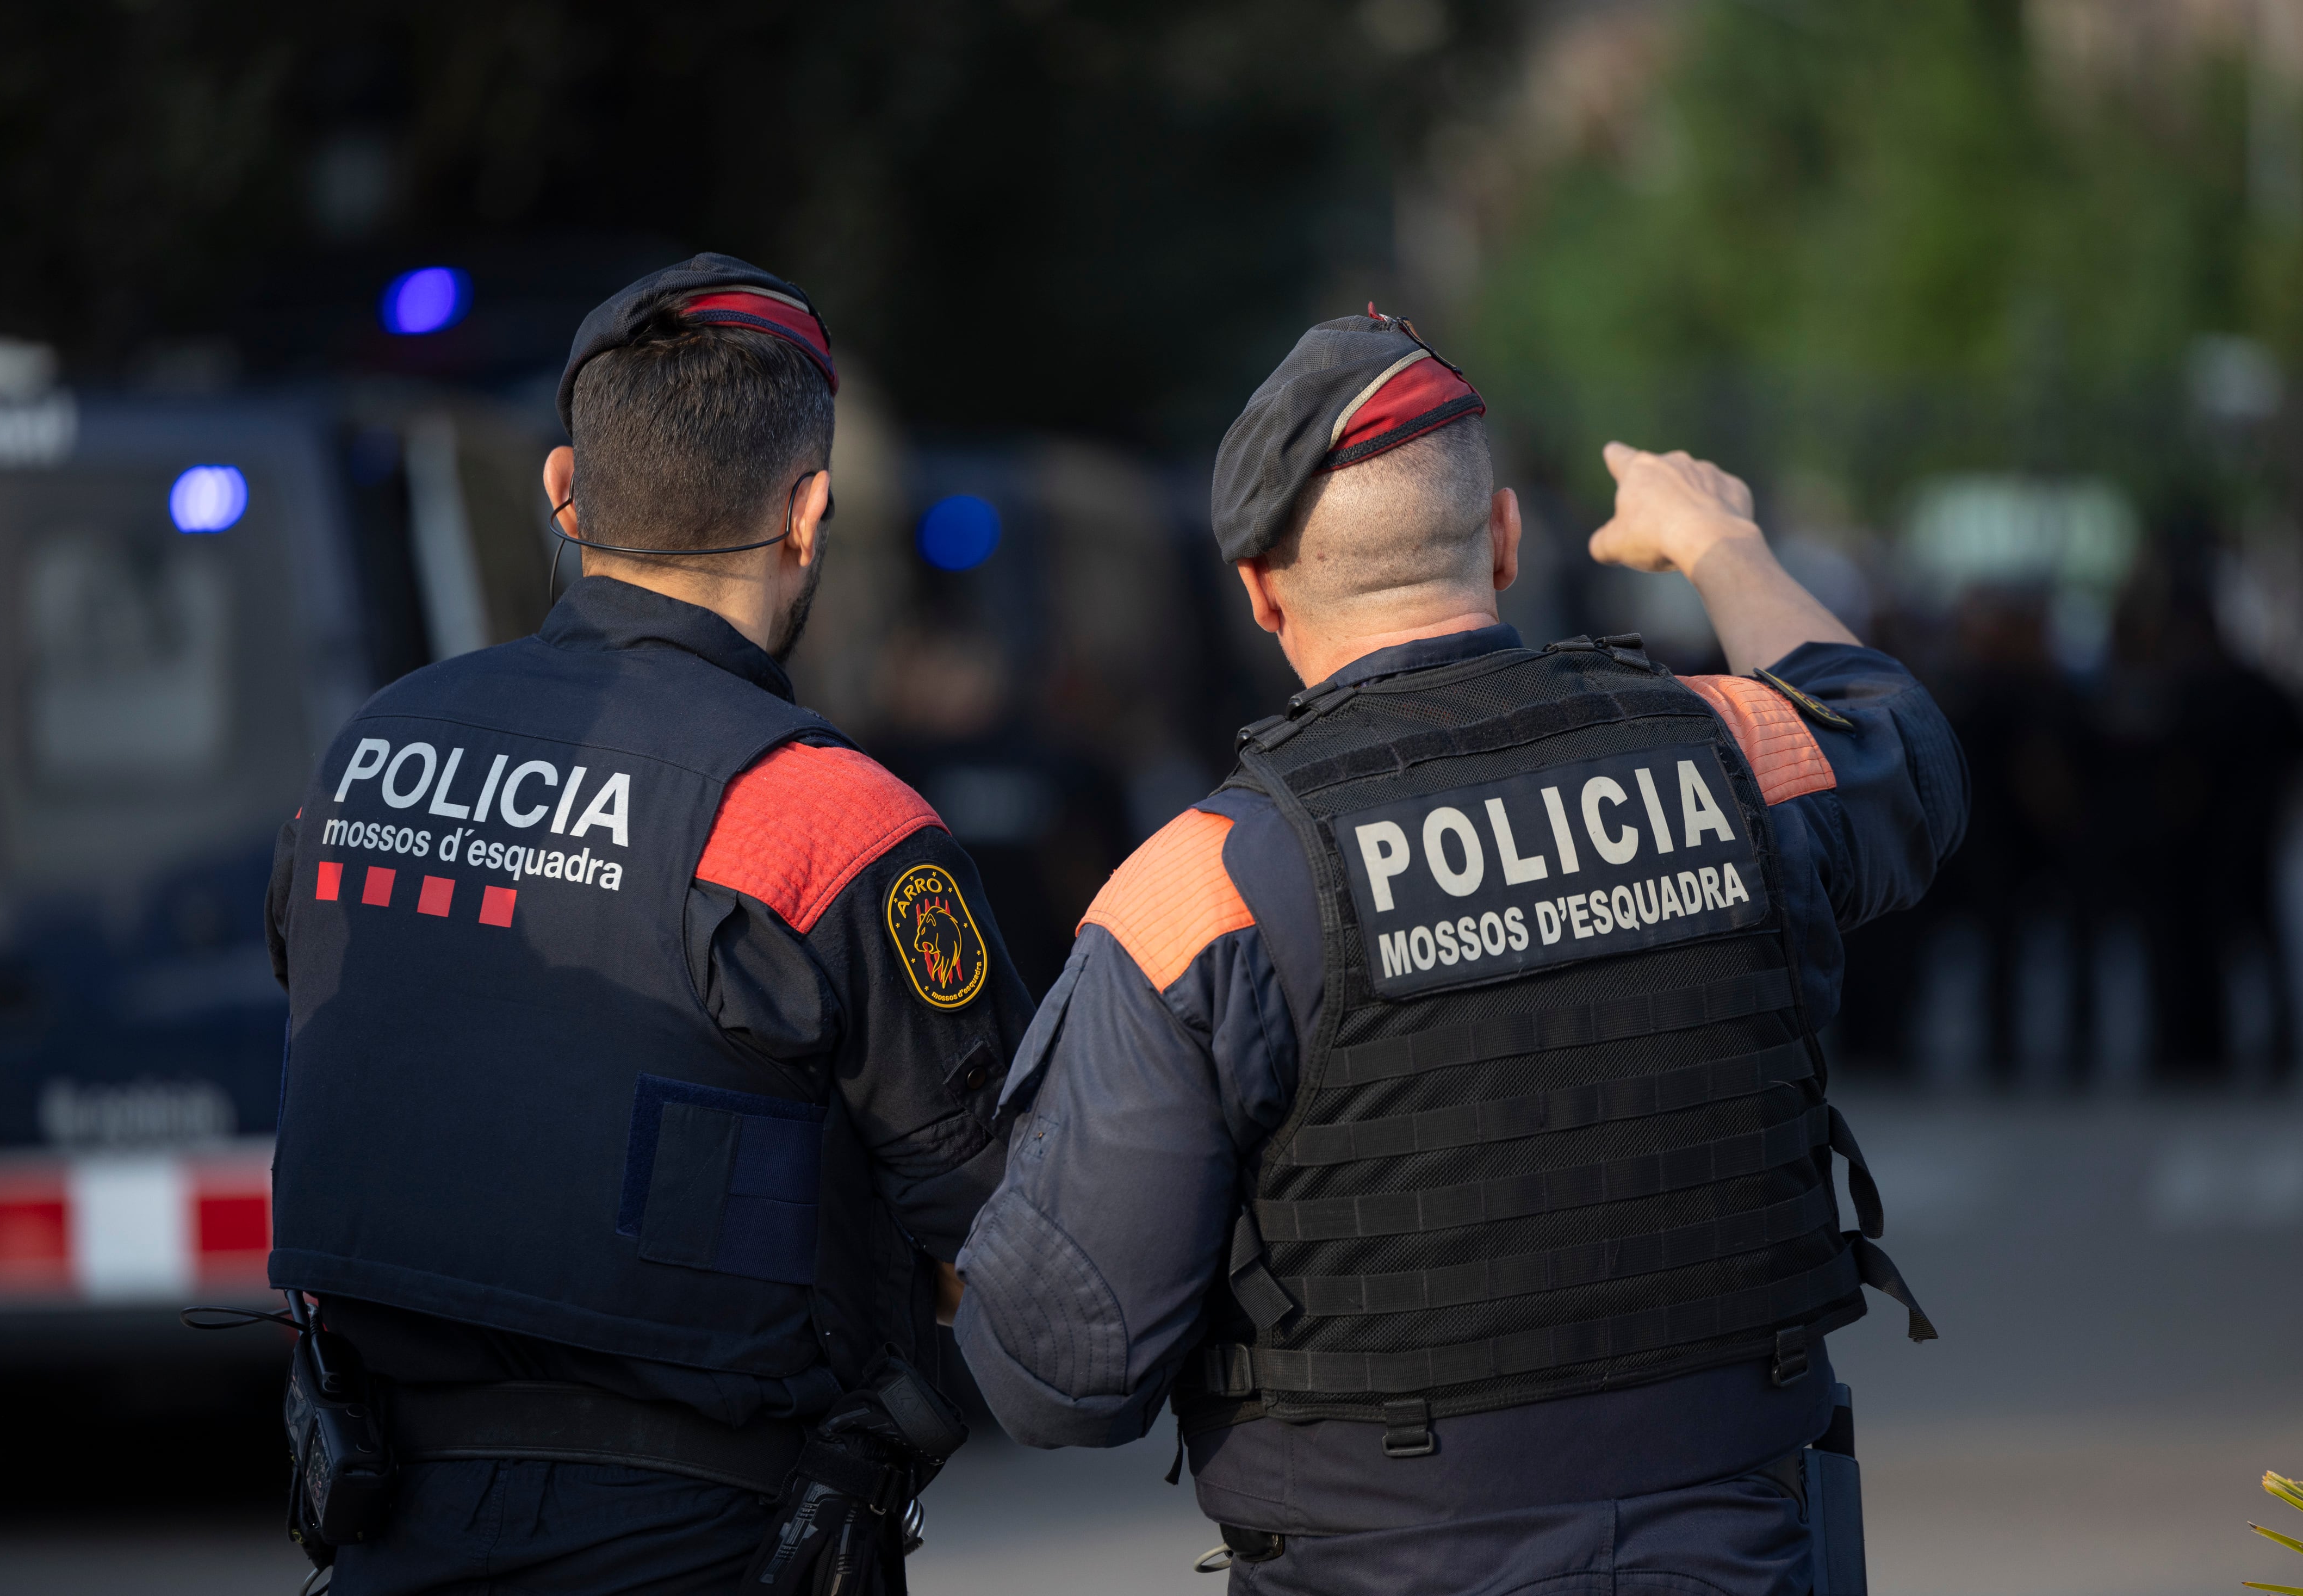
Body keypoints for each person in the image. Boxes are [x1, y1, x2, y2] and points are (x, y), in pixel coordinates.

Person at [952, 310, 1966, 1594]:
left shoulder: (1202, 894)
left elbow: (1062, 1365)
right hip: (1739, 1553)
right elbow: (1900, 744)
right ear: (1502, 540)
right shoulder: (1738, 757)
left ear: (1260, 588)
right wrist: (1718, 541)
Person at [263, 252, 1030, 1595]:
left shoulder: (365, 758)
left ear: (564, 492)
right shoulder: (831, 827)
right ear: (811, 513)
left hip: (386, 1526)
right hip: (714, 1540)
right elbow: (1012, 1210)